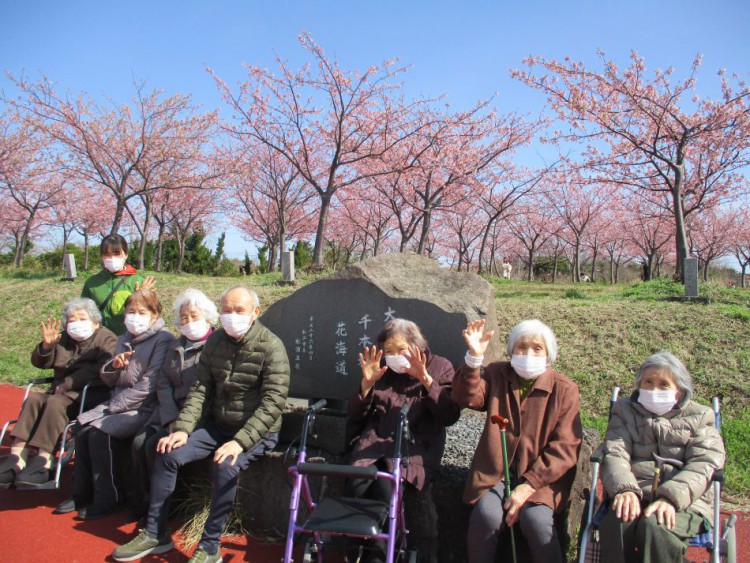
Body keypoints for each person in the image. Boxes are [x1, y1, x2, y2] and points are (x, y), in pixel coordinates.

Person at [112, 286, 290, 563]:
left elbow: (273, 401)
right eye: (226, 310)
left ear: (255, 312)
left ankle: (209, 546)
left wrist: (240, 441)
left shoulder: (272, 347)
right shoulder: (216, 341)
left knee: (225, 465)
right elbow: (200, 390)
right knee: (167, 452)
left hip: (257, 432)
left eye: (239, 311)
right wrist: (182, 429)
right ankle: (155, 532)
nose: (232, 316)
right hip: (218, 425)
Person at [452, 319, 582, 563]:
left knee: (537, 521)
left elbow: (566, 446)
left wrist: (530, 484)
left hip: (544, 481)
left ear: (548, 355)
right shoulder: (497, 373)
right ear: (511, 351)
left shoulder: (564, 389)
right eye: (521, 347)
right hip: (497, 474)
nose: (527, 354)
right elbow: (465, 396)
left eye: (536, 348)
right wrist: (473, 358)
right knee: (486, 515)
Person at [55, 289, 174, 520]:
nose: (135, 317)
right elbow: (107, 378)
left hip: (144, 408)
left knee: (100, 432)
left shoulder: (163, 340)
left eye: (142, 312)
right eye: (131, 311)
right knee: (82, 428)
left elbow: (150, 385)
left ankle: (110, 498)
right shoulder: (124, 339)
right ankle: (82, 492)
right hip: (118, 403)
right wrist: (114, 367)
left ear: (154, 314)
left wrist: (113, 407)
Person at [348, 318, 461, 563]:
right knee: (357, 481)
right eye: (389, 351)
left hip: (415, 449)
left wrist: (426, 379)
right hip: (373, 446)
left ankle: (377, 557)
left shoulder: (440, 366)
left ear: (416, 346)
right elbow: (356, 415)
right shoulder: (382, 370)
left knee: (383, 488)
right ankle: (359, 550)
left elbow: (450, 415)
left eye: (401, 350)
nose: (395, 356)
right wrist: (366, 385)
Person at [597, 351, 725, 563]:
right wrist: (625, 489)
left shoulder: (700, 416)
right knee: (617, 521)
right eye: (648, 382)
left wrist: (671, 498)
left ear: (679, 390)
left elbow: (705, 463)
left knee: (657, 526)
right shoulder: (624, 410)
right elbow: (615, 451)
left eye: (664, 384)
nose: (654, 389)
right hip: (636, 493)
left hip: (687, 502)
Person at [0, 298, 117, 488]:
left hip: (89, 393)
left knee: (55, 402)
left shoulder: (107, 338)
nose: (76, 323)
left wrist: (69, 383)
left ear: (95, 321)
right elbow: (41, 363)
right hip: (59, 392)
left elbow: (102, 367)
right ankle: (18, 456)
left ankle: (44, 459)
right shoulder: (63, 338)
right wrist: (46, 347)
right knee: (34, 399)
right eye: (71, 319)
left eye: (81, 318)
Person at [130, 288, 219, 520]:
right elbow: (163, 383)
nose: (188, 322)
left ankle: (169, 506)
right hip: (169, 414)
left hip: (199, 417)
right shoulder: (175, 346)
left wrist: (183, 425)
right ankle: (145, 503)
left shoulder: (215, 347)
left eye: (194, 316)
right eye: (184, 317)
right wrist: (170, 419)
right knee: (140, 443)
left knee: (157, 446)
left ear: (208, 318)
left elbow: (209, 393)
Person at [81, 234, 154, 335]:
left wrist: (143, 297)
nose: (112, 258)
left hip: (130, 338)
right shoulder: (92, 283)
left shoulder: (138, 281)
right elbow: (83, 312)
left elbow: (152, 313)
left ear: (126, 254)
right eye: (107, 254)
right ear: (102, 256)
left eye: (117, 254)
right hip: (101, 340)